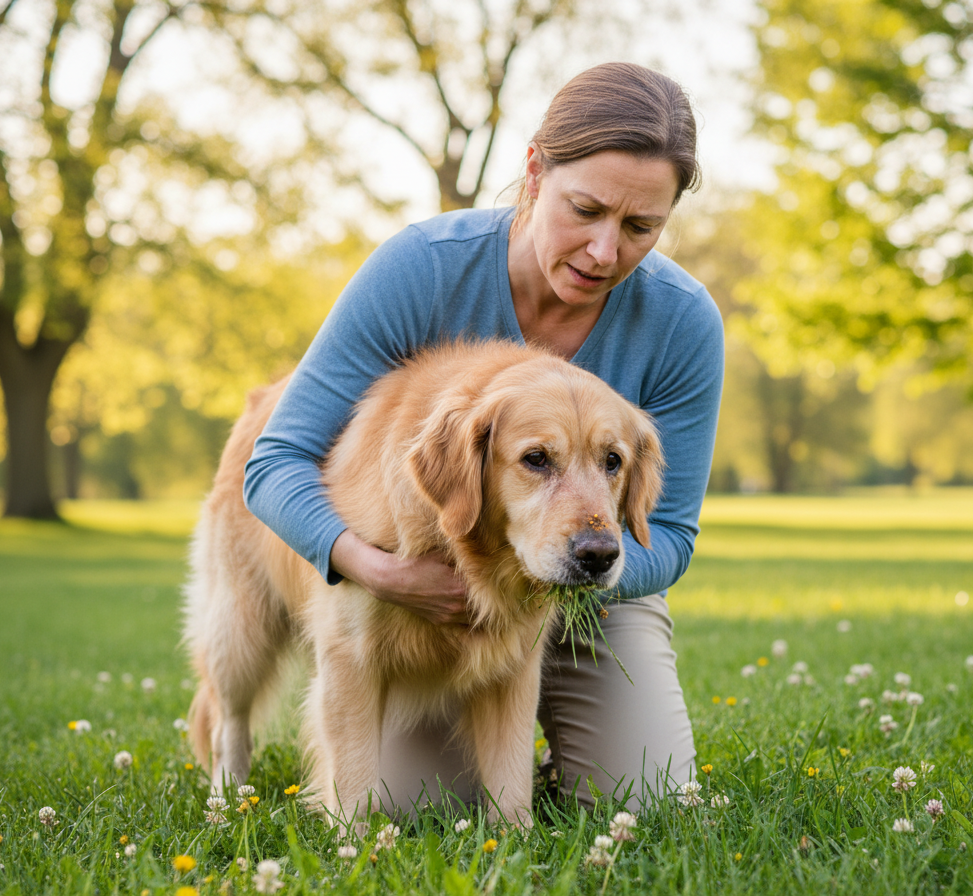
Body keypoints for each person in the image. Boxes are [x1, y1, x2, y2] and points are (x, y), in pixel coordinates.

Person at [243, 61, 724, 812]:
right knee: (416, 805)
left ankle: (570, 744)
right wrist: (377, 571)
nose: (605, 252)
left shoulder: (683, 321)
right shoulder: (421, 268)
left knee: (645, 796)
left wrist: (549, 578)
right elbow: (274, 461)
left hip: (596, 586)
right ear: (534, 173)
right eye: (585, 209)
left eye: (640, 227)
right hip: (427, 582)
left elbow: (670, 535)